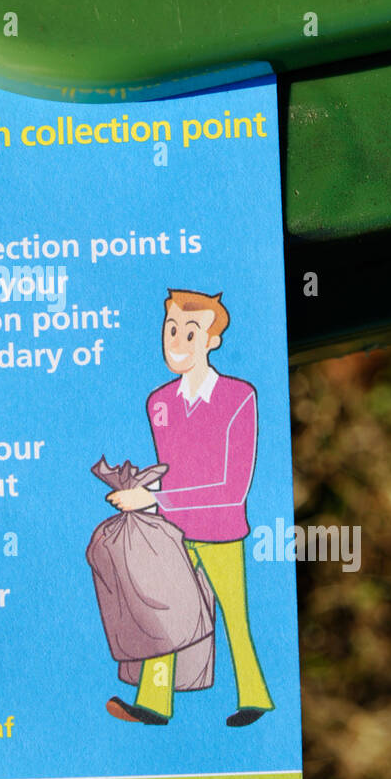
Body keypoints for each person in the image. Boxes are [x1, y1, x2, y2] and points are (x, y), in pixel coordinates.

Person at [105, 288, 273, 727]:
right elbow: (172, 470)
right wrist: (137, 486)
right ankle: (154, 703)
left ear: (212, 341)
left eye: (189, 332)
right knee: (166, 615)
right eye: (171, 329)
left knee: (234, 617)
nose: (176, 341)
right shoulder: (159, 402)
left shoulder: (239, 398)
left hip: (219, 527)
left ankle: (254, 697)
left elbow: (232, 485)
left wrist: (155, 498)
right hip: (171, 530)